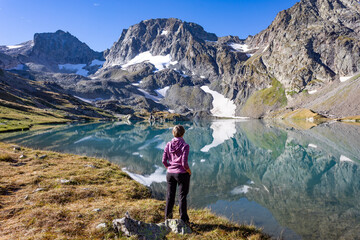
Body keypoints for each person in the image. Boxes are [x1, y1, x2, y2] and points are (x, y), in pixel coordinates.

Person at [162, 125, 191, 224]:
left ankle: (167, 218)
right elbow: (184, 163)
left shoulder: (168, 144)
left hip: (170, 173)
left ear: (173, 133)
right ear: (183, 133)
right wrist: (189, 171)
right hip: (182, 174)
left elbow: (163, 160)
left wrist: (169, 168)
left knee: (170, 196)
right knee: (182, 196)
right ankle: (184, 220)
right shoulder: (185, 146)